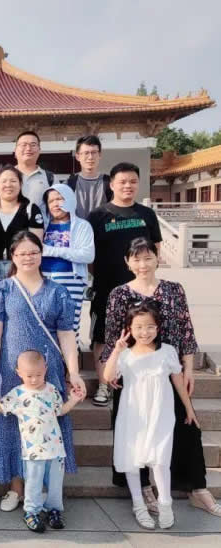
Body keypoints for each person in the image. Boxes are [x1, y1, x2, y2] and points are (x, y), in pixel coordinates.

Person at [0, 231, 87, 511]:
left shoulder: (58, 291)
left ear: (41, 254)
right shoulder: (3, 290)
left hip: (48, 369)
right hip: (11, 368)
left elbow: (67, 334)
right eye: (22, 253)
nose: (28, 257)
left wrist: (74, 372)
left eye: (33, 252)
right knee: (10, 426)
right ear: (13, 256)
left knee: (46, 425)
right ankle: (16, 487)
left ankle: (41, 487)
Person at [100, 237, 221, 518]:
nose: (143, 264)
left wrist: (188, 368)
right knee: (135, 433)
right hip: (134, 371)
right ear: (128, 262)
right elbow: (112, 336)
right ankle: (143, 487)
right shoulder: (119, 294)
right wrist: (111, 366)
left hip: (168, 368)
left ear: (157, 258)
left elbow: (185, 330)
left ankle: (197, 488)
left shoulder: (173, 290)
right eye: (136, 259)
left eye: (148, 257)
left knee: (188, 426)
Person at [104, 300, 198, 530]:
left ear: (157, 327)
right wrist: (116, 350)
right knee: (131, 459)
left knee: (160, 459)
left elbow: (178, 381)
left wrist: (189, 408)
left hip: (160, 413)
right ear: (129, 328)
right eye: (138, 327)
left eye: (149, 326)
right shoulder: (125, 355)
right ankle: (139, 505)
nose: (144, 332)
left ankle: (165, 504)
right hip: (132, 413)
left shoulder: (167, 352)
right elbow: (108, 376)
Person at [0, 350, 83, 533]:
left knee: (55, 483)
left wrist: (73, 400)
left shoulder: (51, 390)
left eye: (38, 375)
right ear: (19, 372)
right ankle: (31, 511)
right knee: (33, 482)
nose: (34, 379)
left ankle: (54, 510)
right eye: (29, 376)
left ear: (45, 369)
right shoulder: (18, 394)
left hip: (55, 448)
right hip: (33, 449)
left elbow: (60, 410)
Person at [87, 162, 162, 407]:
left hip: (142, 288)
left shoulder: (146, 215)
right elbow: (90, 257)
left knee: (144, 331)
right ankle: (104, 384)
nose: (127, 186)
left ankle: (139, 382)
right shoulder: (97, 216)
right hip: (106, 287)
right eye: (122, 181)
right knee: (102, 336)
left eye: (132, 181)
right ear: (111, 185)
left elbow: (156, 249)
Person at [40, 184, 95, 334]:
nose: (55, 204)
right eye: (51, 201)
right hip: (42, 280)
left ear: (70, 199)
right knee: (43, 326)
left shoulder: (82, 226)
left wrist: (51, 251)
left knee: (69, 327)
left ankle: (71, 351)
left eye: (60, 199)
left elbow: (88, 255)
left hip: (71, 279)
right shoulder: (42, 226)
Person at [0, 167, 44, 286]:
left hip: (20, 270)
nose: (8, 185)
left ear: (20, 185)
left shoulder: (30, 210)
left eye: (13, 181)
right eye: (4, 181)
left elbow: (36, 246)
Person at [65, 135, 112, 220]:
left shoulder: (110, 183)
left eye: (94, 152)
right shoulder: (69, 184)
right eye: (86, 153)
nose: (90, 157)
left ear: (99, 155)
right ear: (78, 156)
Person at [13, 131, 55, 218]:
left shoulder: (50, 178)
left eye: (33, 145)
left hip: (40, 226)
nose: (28, 148)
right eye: (24, 145)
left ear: (39, 150)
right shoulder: (3, 177)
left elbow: (58, 209)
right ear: (15, 150)